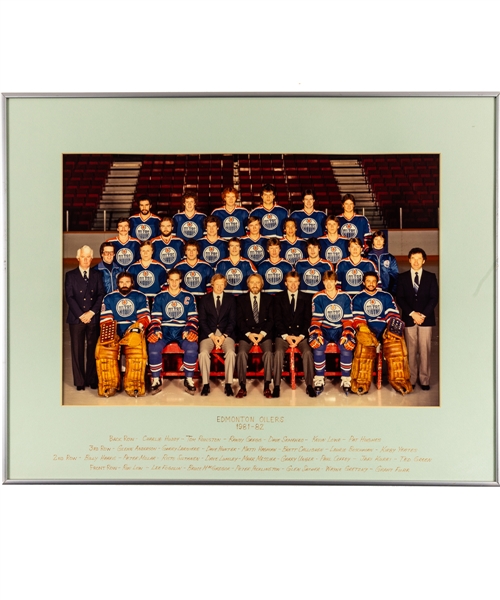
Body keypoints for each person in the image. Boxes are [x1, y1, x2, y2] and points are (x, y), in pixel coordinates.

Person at [352, 272, 412, 395]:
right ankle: (361, 381)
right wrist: (364, 329)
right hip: (368, 331)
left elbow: (393, 314)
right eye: (368, 281)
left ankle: (399, 380)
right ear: (364, 282)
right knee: (364, 349)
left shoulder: (386, 296)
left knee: (396, 347)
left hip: (385, 329)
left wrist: (391, 329)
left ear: (377, 282)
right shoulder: (358, 298)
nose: (371, 284)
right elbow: (357, 317)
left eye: (373, 281)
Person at [97, 271, 151, 397]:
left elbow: (145, 317)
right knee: (105, 350)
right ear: (117, 284)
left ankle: (134, 385)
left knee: (136, 351)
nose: (124, 285)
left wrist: (136, 329)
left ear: (132, 283)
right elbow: (106, 318)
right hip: (115, 329)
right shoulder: (109, 297)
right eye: (121, 282)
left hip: (132, 330)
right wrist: (111, 333)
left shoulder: (140, 296)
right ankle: (109, 384)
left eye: (127, 282)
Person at [147, 268, 199, 395]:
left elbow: (193, 317)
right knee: (153, 346)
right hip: (165, 329)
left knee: (192, 345)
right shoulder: (160, 297)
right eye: (172, 280)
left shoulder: (188, 296)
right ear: (167, 281)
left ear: (181, 280)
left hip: (182, 329)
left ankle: (188, 379)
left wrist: (189, 329)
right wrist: (156, 330)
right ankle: (156, 379)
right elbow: (155, 318)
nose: (174, 283)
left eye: (177, 280)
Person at [396, 248, 439, 391]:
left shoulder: (431, 276)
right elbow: (400, 298)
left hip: (426, 320)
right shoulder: (402, 278)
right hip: (409, 319)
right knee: (411, 350)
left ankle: (425, 379)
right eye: (413, 258)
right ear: (409, 260)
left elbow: (434, 298)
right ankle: (412, 379)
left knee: (425, 350)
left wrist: (422, 315)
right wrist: (412, 314)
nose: (416, 261)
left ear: (424, 260)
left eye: (419, 258)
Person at [65, 245, 105, 390]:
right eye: (83, 256)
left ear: (91, 258)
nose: (86, 260)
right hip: (77, 318)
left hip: (93, 317)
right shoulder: (70, 275)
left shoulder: (97, 275)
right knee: (77, 350)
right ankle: (80, 381)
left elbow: (101, 294)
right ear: (78, 257)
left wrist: (92, 313)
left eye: (89, 257)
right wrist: (82, 315)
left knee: (93, 349)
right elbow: (69, 297)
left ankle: (92, 379)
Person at [308, 271, 355, 395]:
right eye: (326, 281)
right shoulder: (318, 297)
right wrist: (316, 333)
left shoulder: (344, 296)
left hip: (340, 328)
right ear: (323, 282)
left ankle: (346, 379)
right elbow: (317, 320)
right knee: (318, 346)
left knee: (346, 346)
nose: (328, 284)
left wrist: (347, 333)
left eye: (331, 281)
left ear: (335, 282)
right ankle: (319, 378)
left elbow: (347, 320)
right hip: (325, 329)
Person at [273, 271, 315, 398]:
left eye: (295, 282)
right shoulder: (278, 298)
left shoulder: (307, 298)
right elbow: (277, 319)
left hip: (300, 335)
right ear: (285, 283)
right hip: (284, 335)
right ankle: (276, 385)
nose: (293, 285)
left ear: (299, 283)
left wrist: (301, 336)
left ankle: (309, 385)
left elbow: (308, 319)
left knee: (308, 353)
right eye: (290, 282)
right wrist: (286, 336)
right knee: (279, 353)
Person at [235, 274, 274, 398]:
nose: (255, 285)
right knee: (241, 354)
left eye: (257, 282)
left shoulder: (269, 299)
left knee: (268, 353)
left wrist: (262, 334)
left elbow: (271, 320)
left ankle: (267, 385)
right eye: (252, 282)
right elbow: (239, 320)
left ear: (262, 285)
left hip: (264, 333)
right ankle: (242, 386)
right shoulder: (240, 300)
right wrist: (249, 334)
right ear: (248, 284)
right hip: (247, 334)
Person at [197, 274, 237, 397]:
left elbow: (232, 321)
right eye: (217, 284)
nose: (219, 287)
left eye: (222, 285)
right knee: (203, 353)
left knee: (230, 353)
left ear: (225, 285)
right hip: (209, 334)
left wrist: (224, 336)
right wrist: (213, 336)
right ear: (212, 284)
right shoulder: (204, 300)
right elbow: (202, 321)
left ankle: (228, 384)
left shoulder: (231, 300)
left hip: (226, 334)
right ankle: (205, 384)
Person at [128, 240, 168, 306]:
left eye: (148, 251)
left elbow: (164, 287)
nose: (145, 253)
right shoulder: (132, 268)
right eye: (143, 251)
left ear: (152, 252)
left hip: (155, 301)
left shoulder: (160, 267)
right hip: (138, 300)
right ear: (140, 252)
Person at [366, 230, 399, 295]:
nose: (378, 241)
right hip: (370, 290)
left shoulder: (390, 258)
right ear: (372, 241)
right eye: (376, 239)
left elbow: (395, 276)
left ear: (384, 241)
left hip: (386, 290)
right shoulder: (367, 257)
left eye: (381, 239)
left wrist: (393, 291)